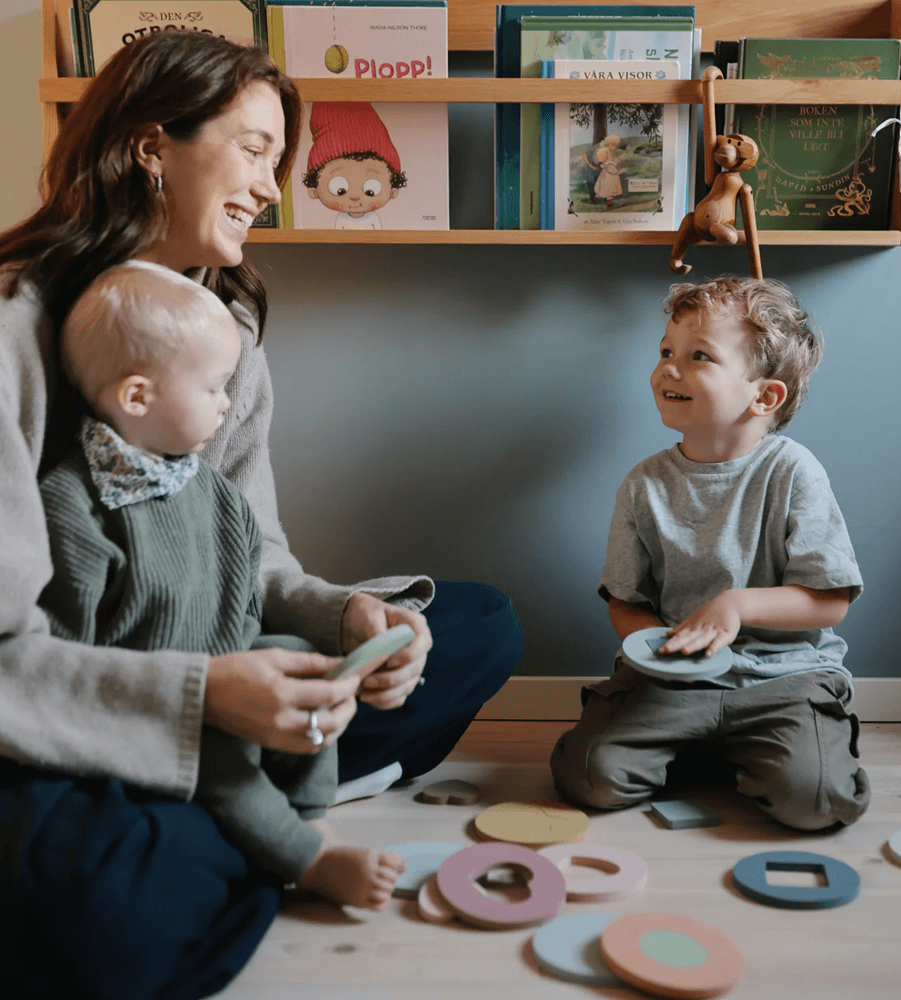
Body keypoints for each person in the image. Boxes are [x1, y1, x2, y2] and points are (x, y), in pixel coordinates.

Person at [0, 30, 522, 999]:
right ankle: (260, 819)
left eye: (279, 161)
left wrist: (347, 620)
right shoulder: (13, 331)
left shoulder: (229, 329)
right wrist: (203, 700)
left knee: (480, 623)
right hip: (67, 703)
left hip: (214, 662)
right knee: (94, 916)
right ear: (150, 147)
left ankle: (244, 800)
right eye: (253, 150)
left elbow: (257, 550)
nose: (271, 189)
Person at [38, 258, 407, 907]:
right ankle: (307, 858)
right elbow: (68, 650)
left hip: (229, 669)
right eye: (212, 388)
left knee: (303, 660)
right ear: (137, 397)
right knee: (219, 757)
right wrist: (201, 697)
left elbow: (244, 605)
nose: (228, 402)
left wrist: (288, 662)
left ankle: (308, 811)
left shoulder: (216, 495)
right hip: (149, 708)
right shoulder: (72, 503)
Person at [550, 276, 869, 832]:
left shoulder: (794, 472)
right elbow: (625, 602)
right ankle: (719, 746)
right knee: (588, 776)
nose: (669, 368)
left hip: (782, 680)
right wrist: (659, 649)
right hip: (675, 680)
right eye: (665, 352)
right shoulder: (642, 485)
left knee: (817, 800)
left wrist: (735, 606)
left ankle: (733, 748)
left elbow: (830, 602)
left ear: (764, 396)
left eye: (699, 356)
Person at [303, 101, 406, 229]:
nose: (355, 197)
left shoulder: (373, 219)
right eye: (340, 190)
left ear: (393, 191)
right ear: (314, 191)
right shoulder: (339, 220)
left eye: (371, 191)